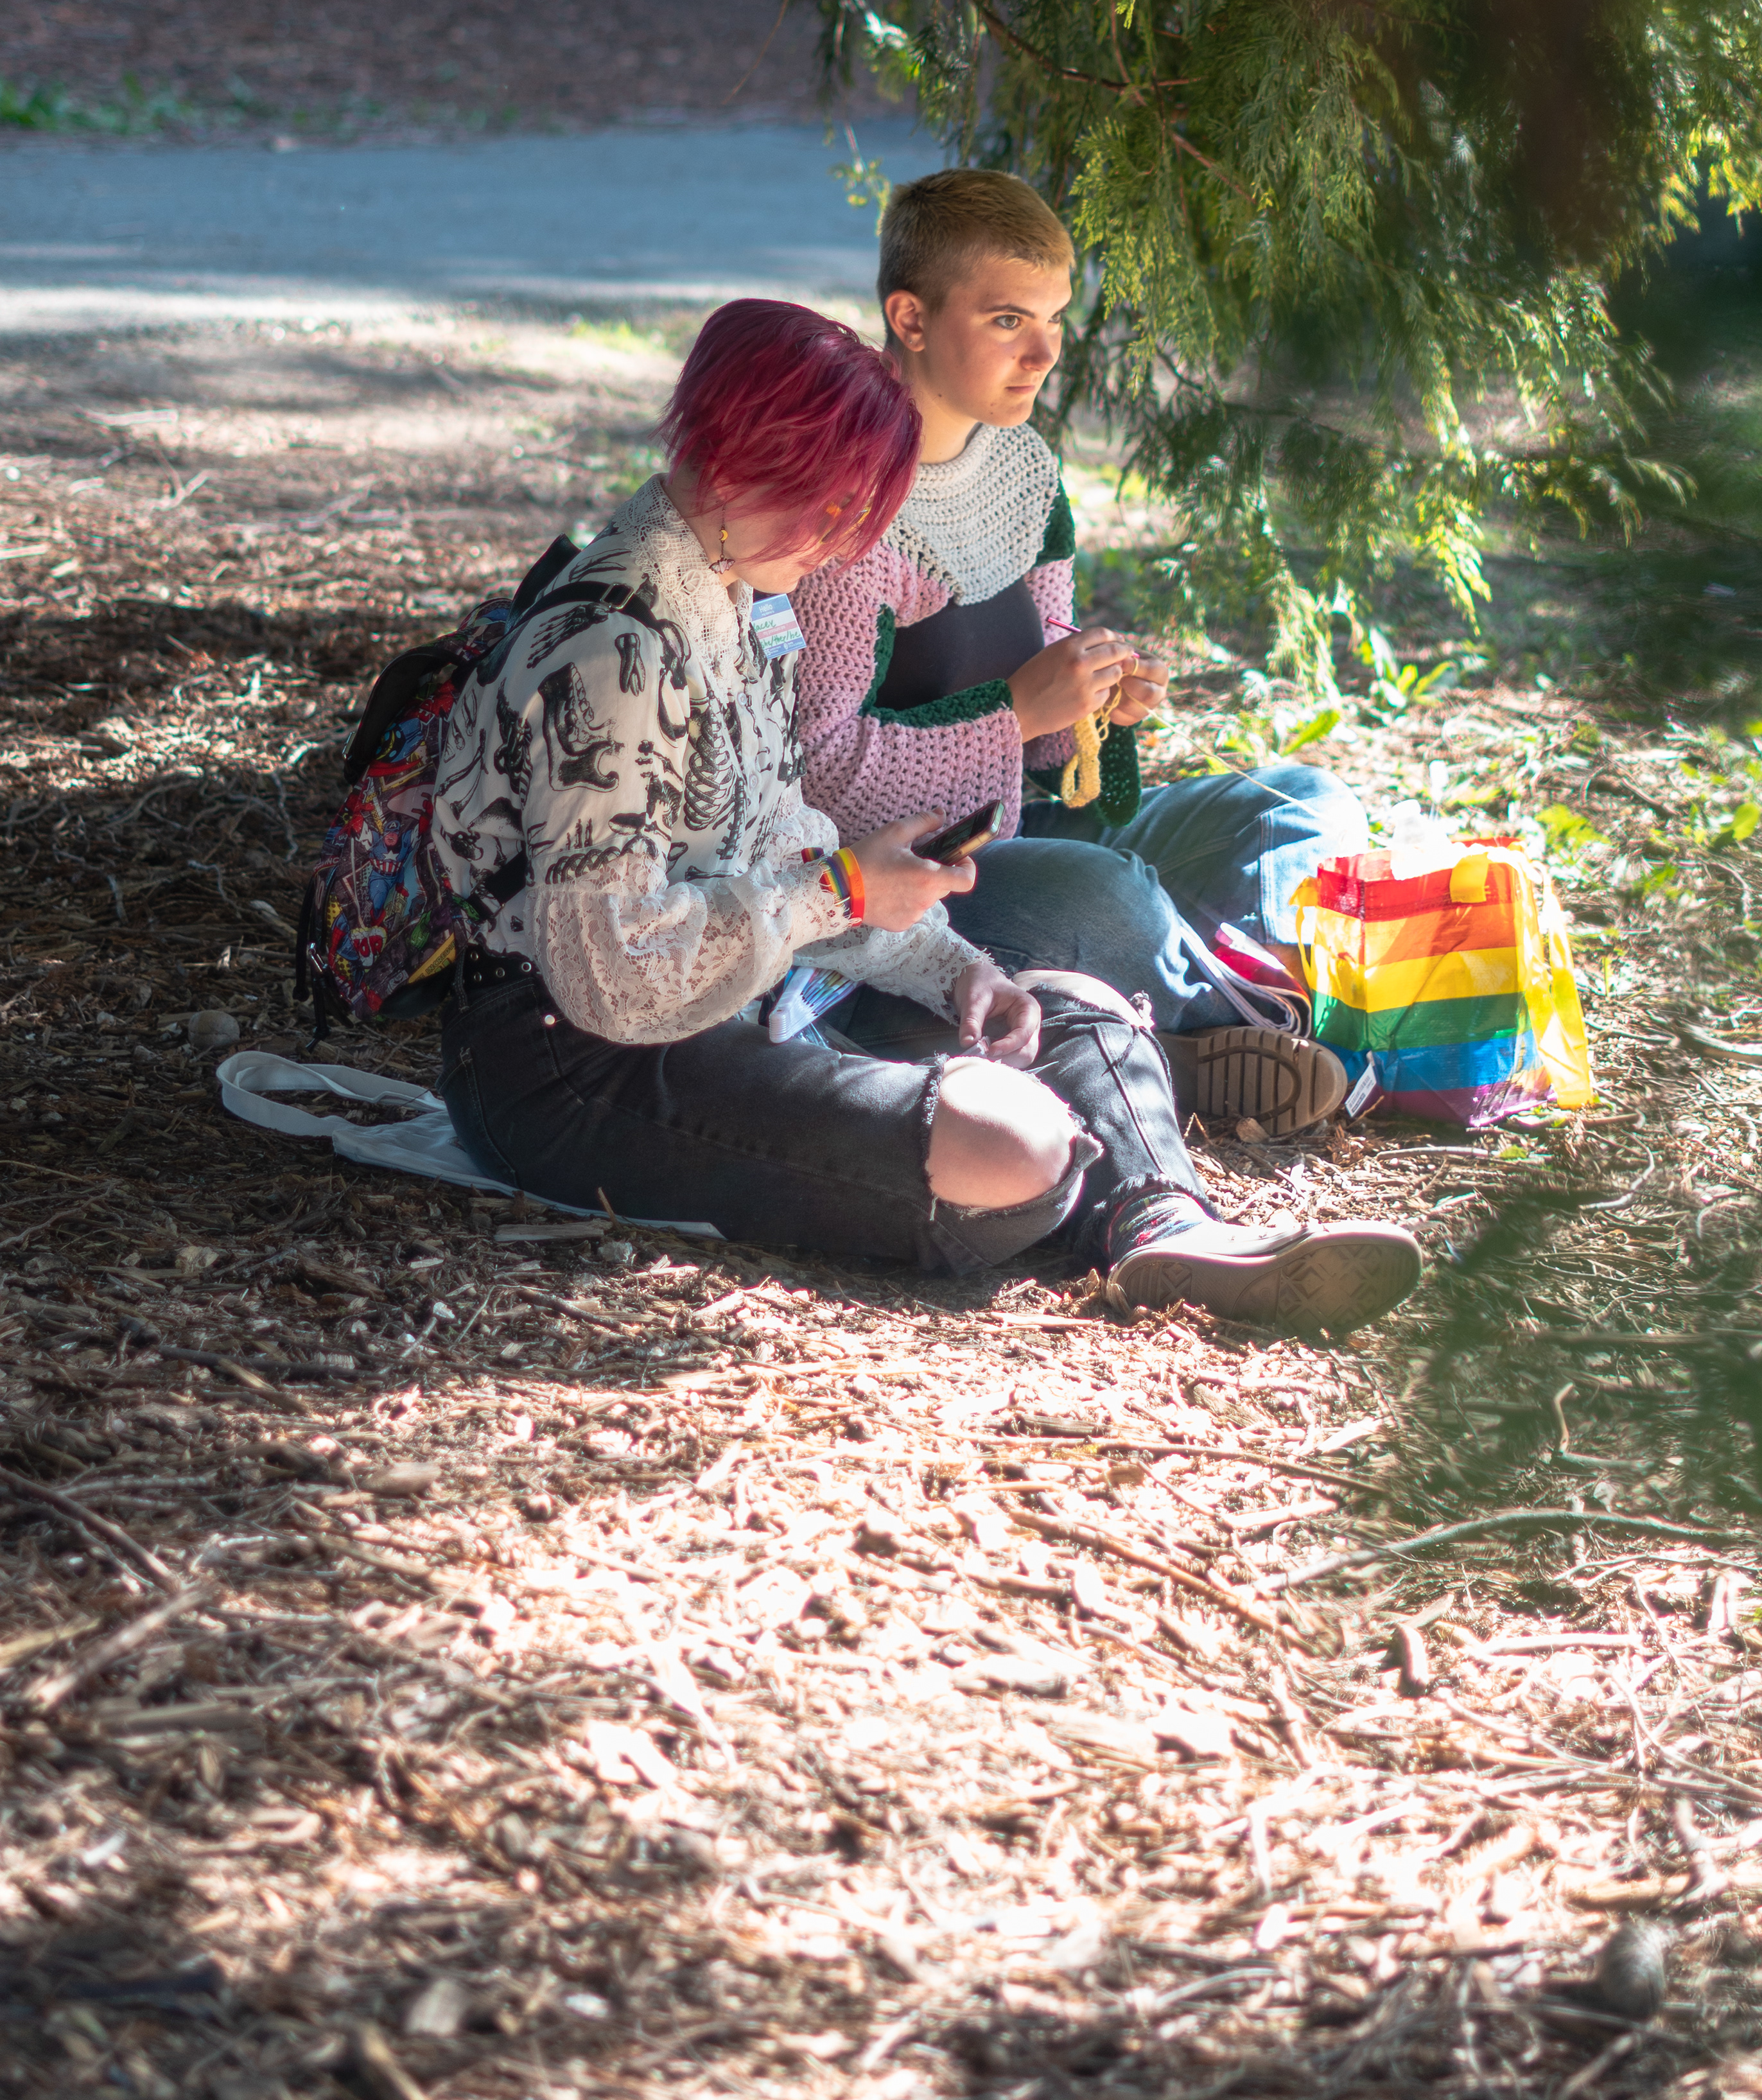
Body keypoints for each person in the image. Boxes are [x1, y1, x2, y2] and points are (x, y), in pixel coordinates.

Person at [428, 296, 1422, 1335]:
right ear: (737, 459)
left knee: (1068, 1004)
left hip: (732, 996)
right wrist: (842, 891)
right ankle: (1077, 1164)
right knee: (1015, 1142)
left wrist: (954, 971)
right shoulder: (616, 651)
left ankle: (1163, 1226)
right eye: (831, 510)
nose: (840, 546)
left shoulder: (734, 589)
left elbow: (783, 848)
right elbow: (608, 975)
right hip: (569, 1062)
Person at [789, 170, 1366, 1133]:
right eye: (1009, 320)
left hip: (1024, 839)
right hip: (910, 895)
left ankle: (1166, 1009)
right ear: (912, 318)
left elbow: (1045, 709)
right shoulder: (848, 506)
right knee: (1109, 895)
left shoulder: (1025, 470)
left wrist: (1093, 703)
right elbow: (821, 772)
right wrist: (1017, 712)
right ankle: (1209, 1023)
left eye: (1055, 318)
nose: (1047, 353)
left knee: (1303, 805)